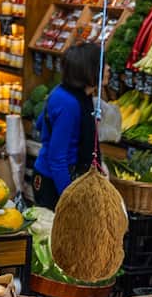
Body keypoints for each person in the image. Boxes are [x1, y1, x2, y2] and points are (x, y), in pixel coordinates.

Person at [32, 43, 101, 209]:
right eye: (103, 64)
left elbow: (42, 123)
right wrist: (70, 199)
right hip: (56, 182)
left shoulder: (68, 93)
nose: (108, 69)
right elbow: (57, 158)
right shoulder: (68, 103)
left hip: (57, 176)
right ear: (88, 70)